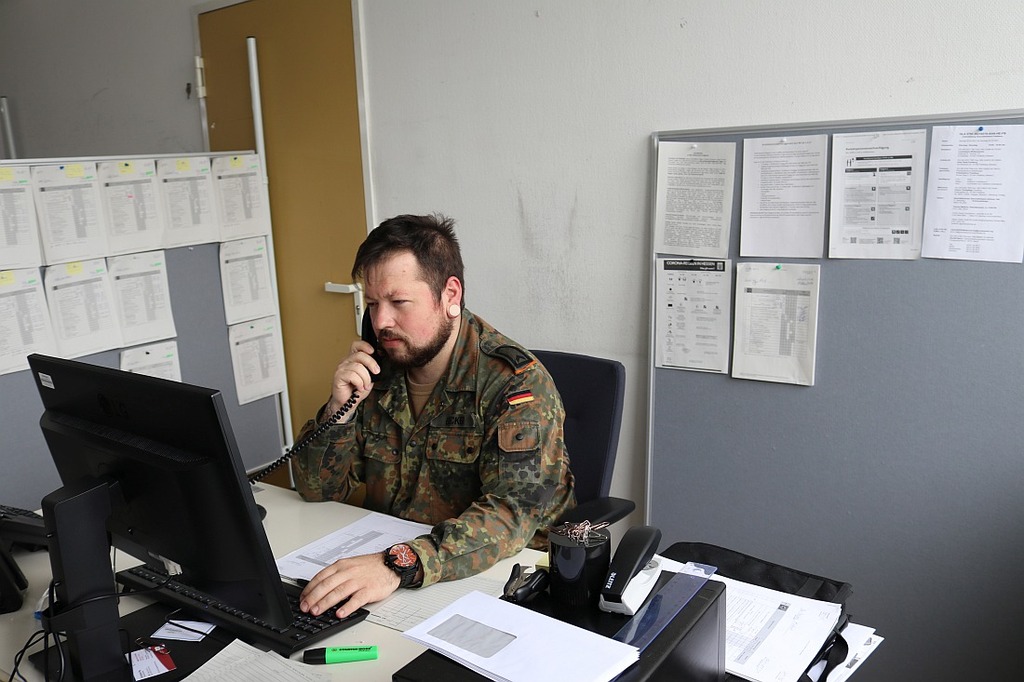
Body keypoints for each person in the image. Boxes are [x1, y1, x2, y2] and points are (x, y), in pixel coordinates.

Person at [291, 213, 576, 620]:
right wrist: (339, 413)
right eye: (371, 304)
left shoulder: (515, 387)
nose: (381, 322)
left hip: (498, 582)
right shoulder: (377, 368)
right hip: (394, 577)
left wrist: (398, 564)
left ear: (450, 295)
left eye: (398, 302)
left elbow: (511, 514)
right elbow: (316, 489)